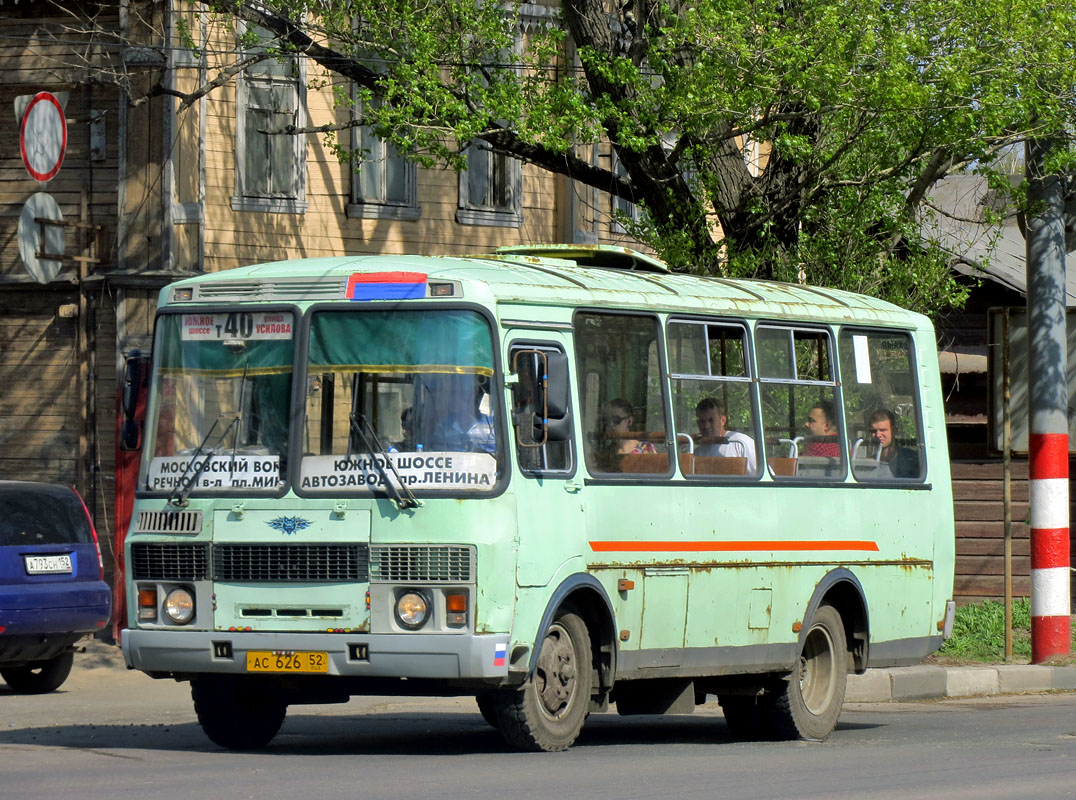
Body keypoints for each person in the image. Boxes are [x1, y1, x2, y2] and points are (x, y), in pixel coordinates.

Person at [694, 397, 757, 474]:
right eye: (702, 421)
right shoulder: (696, 453)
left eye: (711, 420)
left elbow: (765, 480)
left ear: (723, 420)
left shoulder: (741, 443)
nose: (706, 426)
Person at [867, 408, 919, 478]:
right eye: (873, 431)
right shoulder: (868, 464)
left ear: (894, 431)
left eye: (883, 430)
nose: (878, 434)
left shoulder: (912, 459)